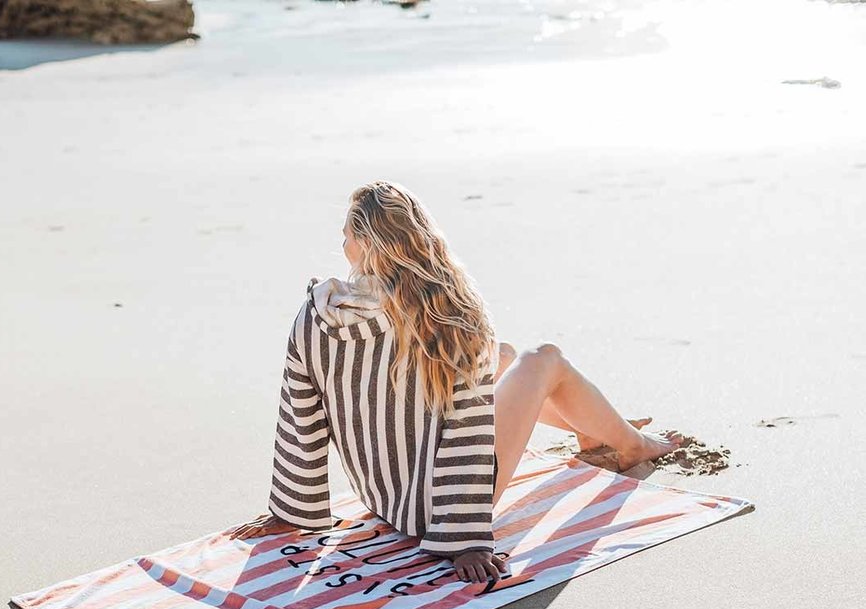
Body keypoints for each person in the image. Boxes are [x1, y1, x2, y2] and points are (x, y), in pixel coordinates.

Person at [230, 180, 684, 583]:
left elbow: (300, 418)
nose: (342, 244)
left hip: (385, 497)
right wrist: (463, 539)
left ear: (363, 249)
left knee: (500, 355)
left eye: (346, 236)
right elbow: (464, 429)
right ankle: (632, 445)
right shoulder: (447, 313)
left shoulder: (316, 316)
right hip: (443, 510)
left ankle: (591, 432)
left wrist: (290, 512)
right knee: (544, 359)